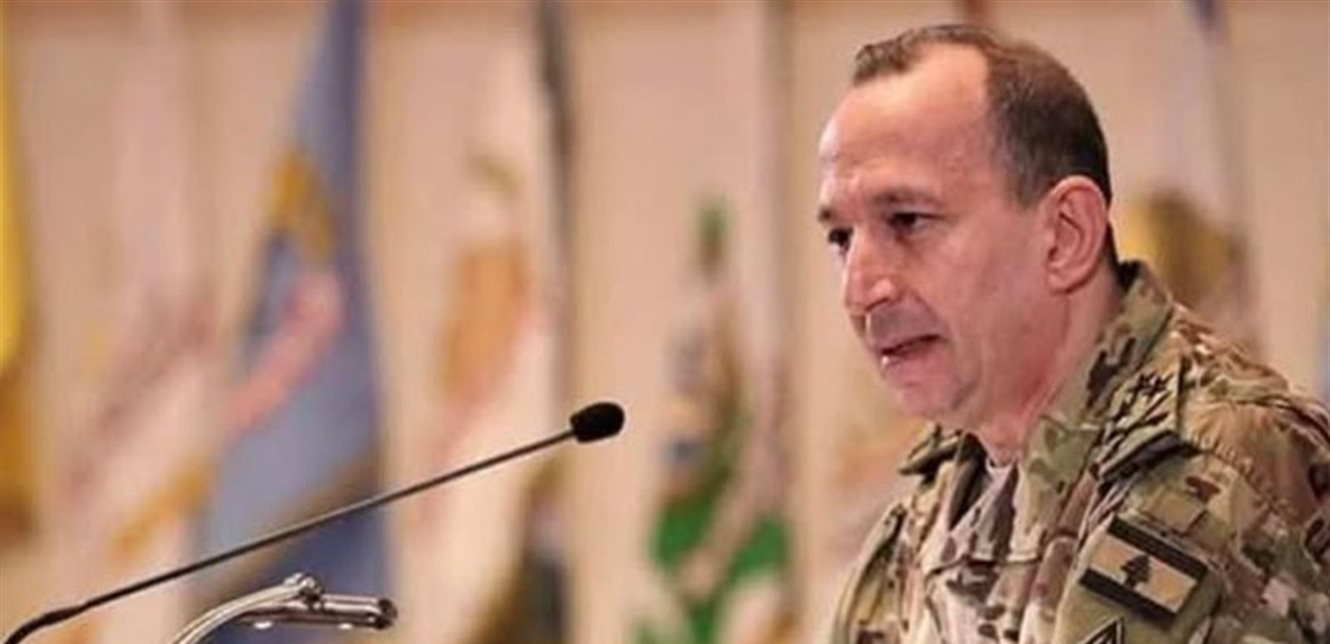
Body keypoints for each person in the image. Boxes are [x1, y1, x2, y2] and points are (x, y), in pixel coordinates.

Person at [815, 24, 1330, 644]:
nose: (860, 291)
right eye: (841, 238)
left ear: (1065, 235)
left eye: (908, 221)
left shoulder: (1212, 465)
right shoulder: (941, 494)